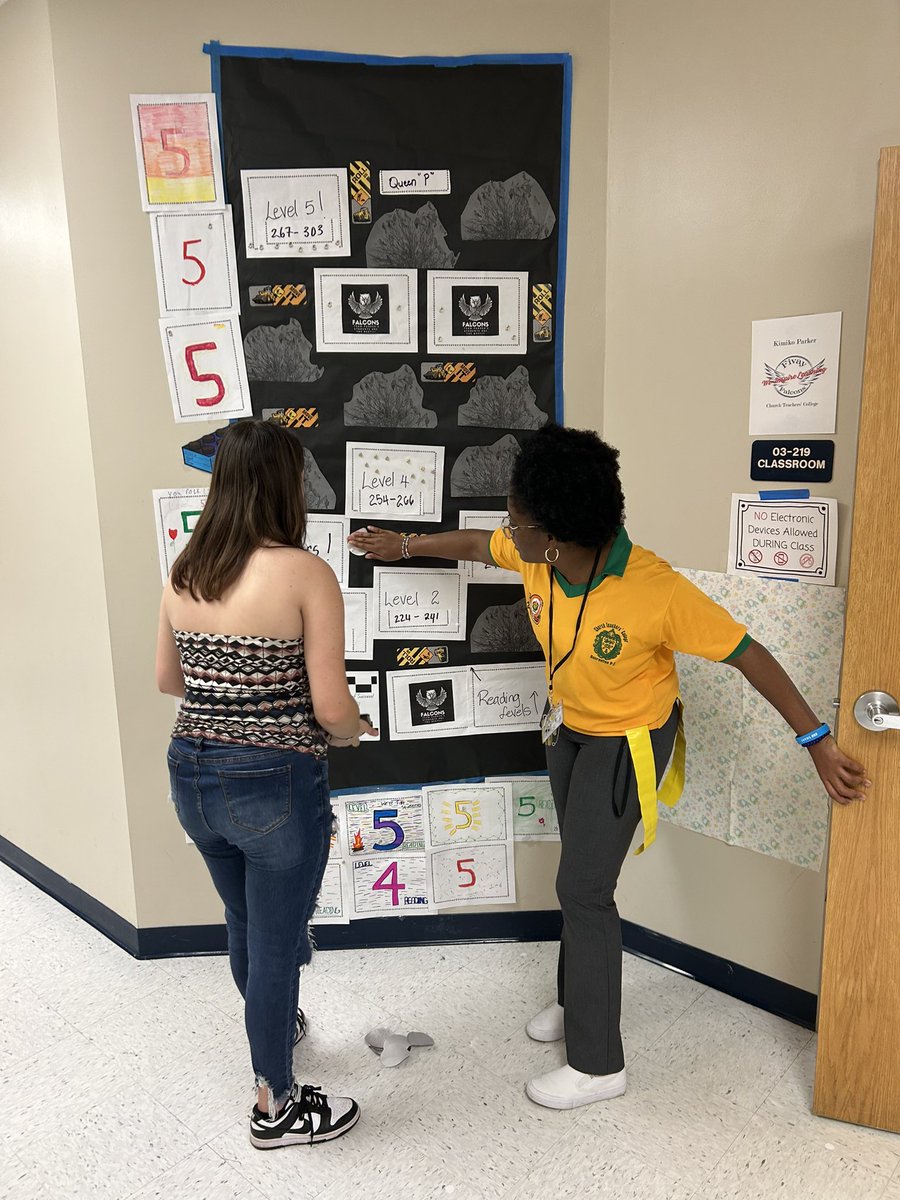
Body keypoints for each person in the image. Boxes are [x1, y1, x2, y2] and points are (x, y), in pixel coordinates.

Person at [348, 422, 868, 1112]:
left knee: (586, 890)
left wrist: (818, 741)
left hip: (627, 744)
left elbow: (749, 654)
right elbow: (476, 545)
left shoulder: (654, 589)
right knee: (580, 879)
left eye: (517, 520)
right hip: (568, 731)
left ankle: (598, 1065)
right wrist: (407, 545)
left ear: (555, 535)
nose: (508, 529)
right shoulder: (537, 554)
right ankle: (575, 1000)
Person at [156, 420, 375, 1148]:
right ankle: (275, 1106)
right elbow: (331, 708)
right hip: (274, 781)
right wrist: (356, 731)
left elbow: (167, 679)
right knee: (278, 939)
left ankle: (274, 1023)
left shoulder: (185, 569)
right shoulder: (304, 572)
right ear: (286, 485)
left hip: (191, 772)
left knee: (245, 922)